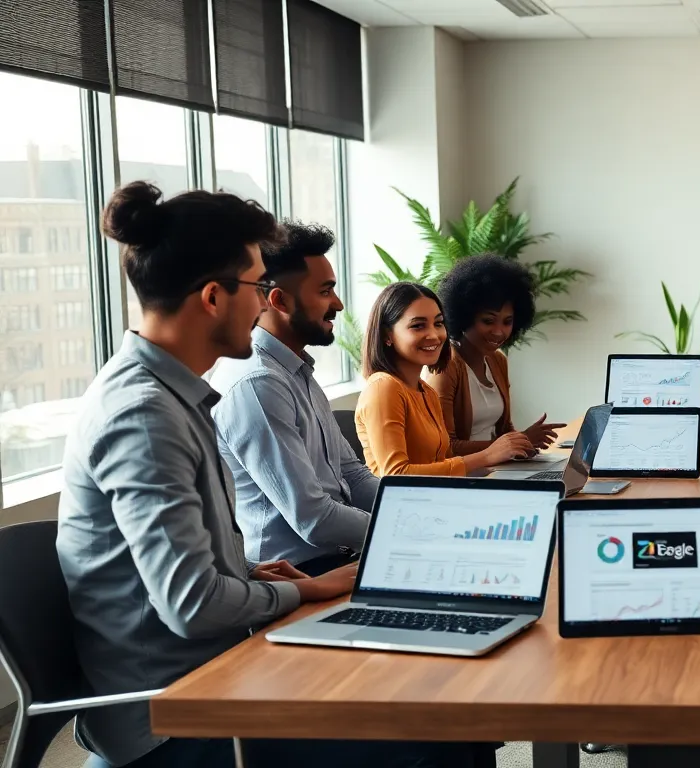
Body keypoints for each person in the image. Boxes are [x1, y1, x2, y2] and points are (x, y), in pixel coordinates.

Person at [57, 182, 484, 768]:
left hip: (219, 669)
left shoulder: (172, 395)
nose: (265, 305)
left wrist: (247, 569)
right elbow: (191, 605)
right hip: (180, 713)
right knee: (441, 728)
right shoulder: (145, 416)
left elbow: (171, 569)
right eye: (259, 287)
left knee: (448, 699)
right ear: (213, 297)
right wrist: (311, 588)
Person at [210, 221, 375, 576]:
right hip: (303, 573)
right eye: (325, 291)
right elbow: (313, 519)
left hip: (340, 559)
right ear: (279, 300)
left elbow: (354, 478)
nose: (339, 304)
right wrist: (401, 531)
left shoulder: (295, 367)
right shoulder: (258, 382)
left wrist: (425, 508)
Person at [355, 281, 531, 476]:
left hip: (441, 496)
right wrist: (486, 456)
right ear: (387, 335)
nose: (434, 335)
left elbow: (445, 464)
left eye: (438, 323)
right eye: (418, 326)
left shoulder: (426, 392)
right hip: (408, 504)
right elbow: (396, 475)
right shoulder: (384, 387)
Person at [426, 254, 564, 457]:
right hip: (468, 475)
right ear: (464, 317)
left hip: (500, 469)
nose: (499, 331)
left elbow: (504, 431)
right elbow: (446, 448)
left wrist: (526, 446)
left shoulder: (497, 360)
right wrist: (521, 440)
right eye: (488, 321)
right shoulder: (446, 366)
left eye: (507, 322)